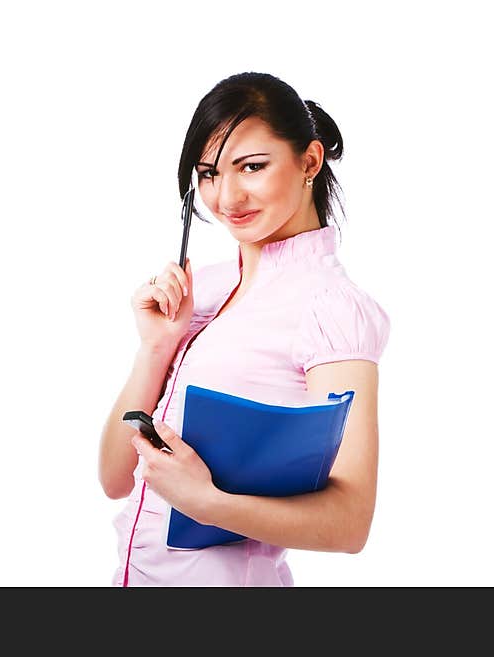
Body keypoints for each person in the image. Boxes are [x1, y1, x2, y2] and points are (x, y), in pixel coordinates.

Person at [97, 72, 391, 587]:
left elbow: (350, 522)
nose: (227, 196)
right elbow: (116, 478)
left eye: (251, 167)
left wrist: (207, 504)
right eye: (209, 173)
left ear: (310, 161)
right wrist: (157, 348)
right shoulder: (202, 292)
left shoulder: (329, 308)